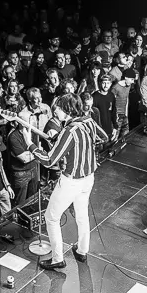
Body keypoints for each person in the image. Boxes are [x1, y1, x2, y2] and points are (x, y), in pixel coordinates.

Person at [30, 93, 107, 270]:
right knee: (82, 215)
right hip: (88, 178)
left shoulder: (69, 131)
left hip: (71, 181)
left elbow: (49, 160)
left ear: (66, 109)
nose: (56, 111)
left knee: (51, 218)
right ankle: (82, 251)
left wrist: (31, 146)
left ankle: (57, 259)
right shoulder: (88, 121)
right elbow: (104, 137)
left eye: (58, 108)